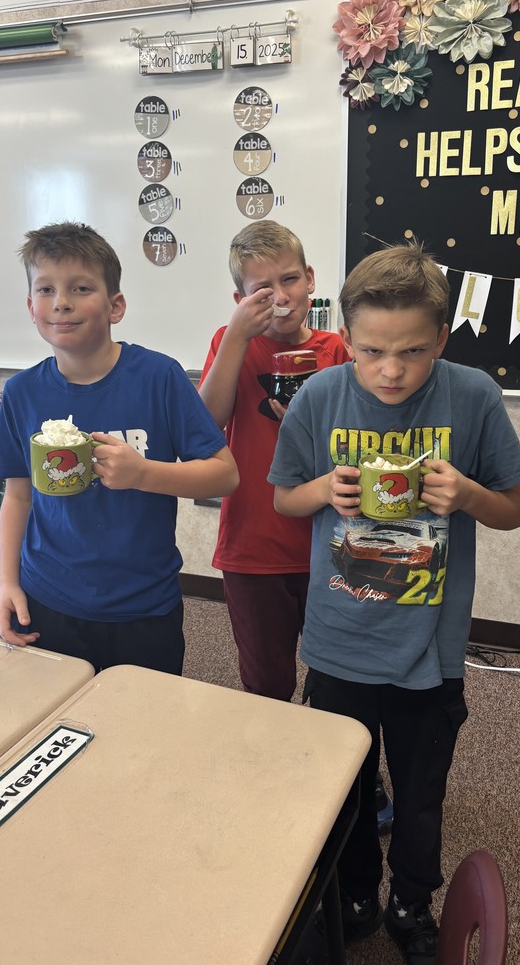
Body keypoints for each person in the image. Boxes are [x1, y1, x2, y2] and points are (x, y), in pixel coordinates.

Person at [268, 240, 520, 964]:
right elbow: (285, 496)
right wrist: (324, 490)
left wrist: (469, 495)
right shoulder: (321, 396)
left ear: (441, 339)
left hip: (431, 648)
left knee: (419, 794)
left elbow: (512, 510)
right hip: (338, 639)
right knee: (343, 791)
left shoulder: (472, 395)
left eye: (413, 352)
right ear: (346, 337)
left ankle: (412, 903)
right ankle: (353, 894)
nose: (391, 370)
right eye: (373, 350)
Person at [0, 221, 239, 675]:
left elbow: (225, 474)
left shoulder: (159, 377)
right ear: (31, 308)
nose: (61, 301)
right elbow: (18, 496)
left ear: (115, 305)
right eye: (45, 289)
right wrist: (7, 582)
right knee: (57, 724)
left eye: (80, 287)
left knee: (141, 733)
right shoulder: (21, 392)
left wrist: (145, 474)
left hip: (144, 606)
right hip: (50, 597)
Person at [198, 221, 351, 702]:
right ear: (240, 297)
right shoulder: (231, 342)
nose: (280, 297)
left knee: (337, 677)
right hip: (253, 545)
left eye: (288, 280)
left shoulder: (337, 351)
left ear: (309, 278)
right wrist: (238, 339)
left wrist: (307, 426)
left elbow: (359, 441)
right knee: (266, 682)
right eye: (262, 288)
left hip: (329, 544)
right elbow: (206, 426)